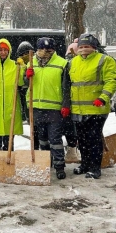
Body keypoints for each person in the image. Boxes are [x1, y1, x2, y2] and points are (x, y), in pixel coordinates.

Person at [64, 33, 116, 179]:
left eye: (87, 46)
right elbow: (70, 85)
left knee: (94, 139)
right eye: (81, 47)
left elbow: (111, 81)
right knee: (83, 139)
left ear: (94, 47)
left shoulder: (104, 60)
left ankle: (95, 168)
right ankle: (85, 164)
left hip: (96, 108)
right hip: (78, 109)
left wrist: (103, 97)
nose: (83, 49)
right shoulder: (73, 62)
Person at [25, 37, 70, 180]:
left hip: (54, 109)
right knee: (42, 139)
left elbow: (66, 88)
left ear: (54, 50)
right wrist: (27, 77)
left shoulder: (62, 64)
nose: (45, 52)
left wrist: (65, 105)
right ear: (37, 50)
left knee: (55, 139)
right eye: (42, 49)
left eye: (49, 49)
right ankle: (46, 163)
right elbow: (25, 84)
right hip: (37, 107)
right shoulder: (31, 63)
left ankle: (59, 166)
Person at [0, 39, 25, 151]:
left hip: (10, 105)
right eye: (0, 50)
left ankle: (9, 158)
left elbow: (21, 82)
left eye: (5, 50)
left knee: (9, 138)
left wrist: (22, 68)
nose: (3, 52)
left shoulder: (14, 65)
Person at [16, 41, 39, 150]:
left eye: (28, 53)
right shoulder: (18, 65)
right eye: (23, 54)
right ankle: (34, 146)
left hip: (36, 98)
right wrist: (22, 68)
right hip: (25, 98)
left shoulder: (37, 63)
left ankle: (40, 145)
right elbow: (20, 82)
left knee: (37, 125)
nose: (25, 56)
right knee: (31, 124)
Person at [63, 39, 81, 164]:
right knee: (72, 128)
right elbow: (65, 85)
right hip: (72, 101)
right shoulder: (68, 66)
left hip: (82, 102)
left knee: (76, 128)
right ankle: (73, 150)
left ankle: (74, 150)